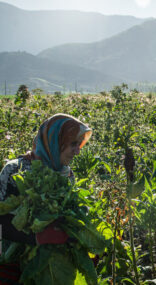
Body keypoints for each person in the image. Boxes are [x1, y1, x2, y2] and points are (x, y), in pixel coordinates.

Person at [0, 113, 92, 284]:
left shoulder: (67, 175)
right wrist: (37, 238)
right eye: (73, 144)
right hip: (11, 264)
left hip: (51, 266)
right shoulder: (15, 170)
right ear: (56, 142)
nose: (78, 151)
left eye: (79, 144)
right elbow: (1, 222)